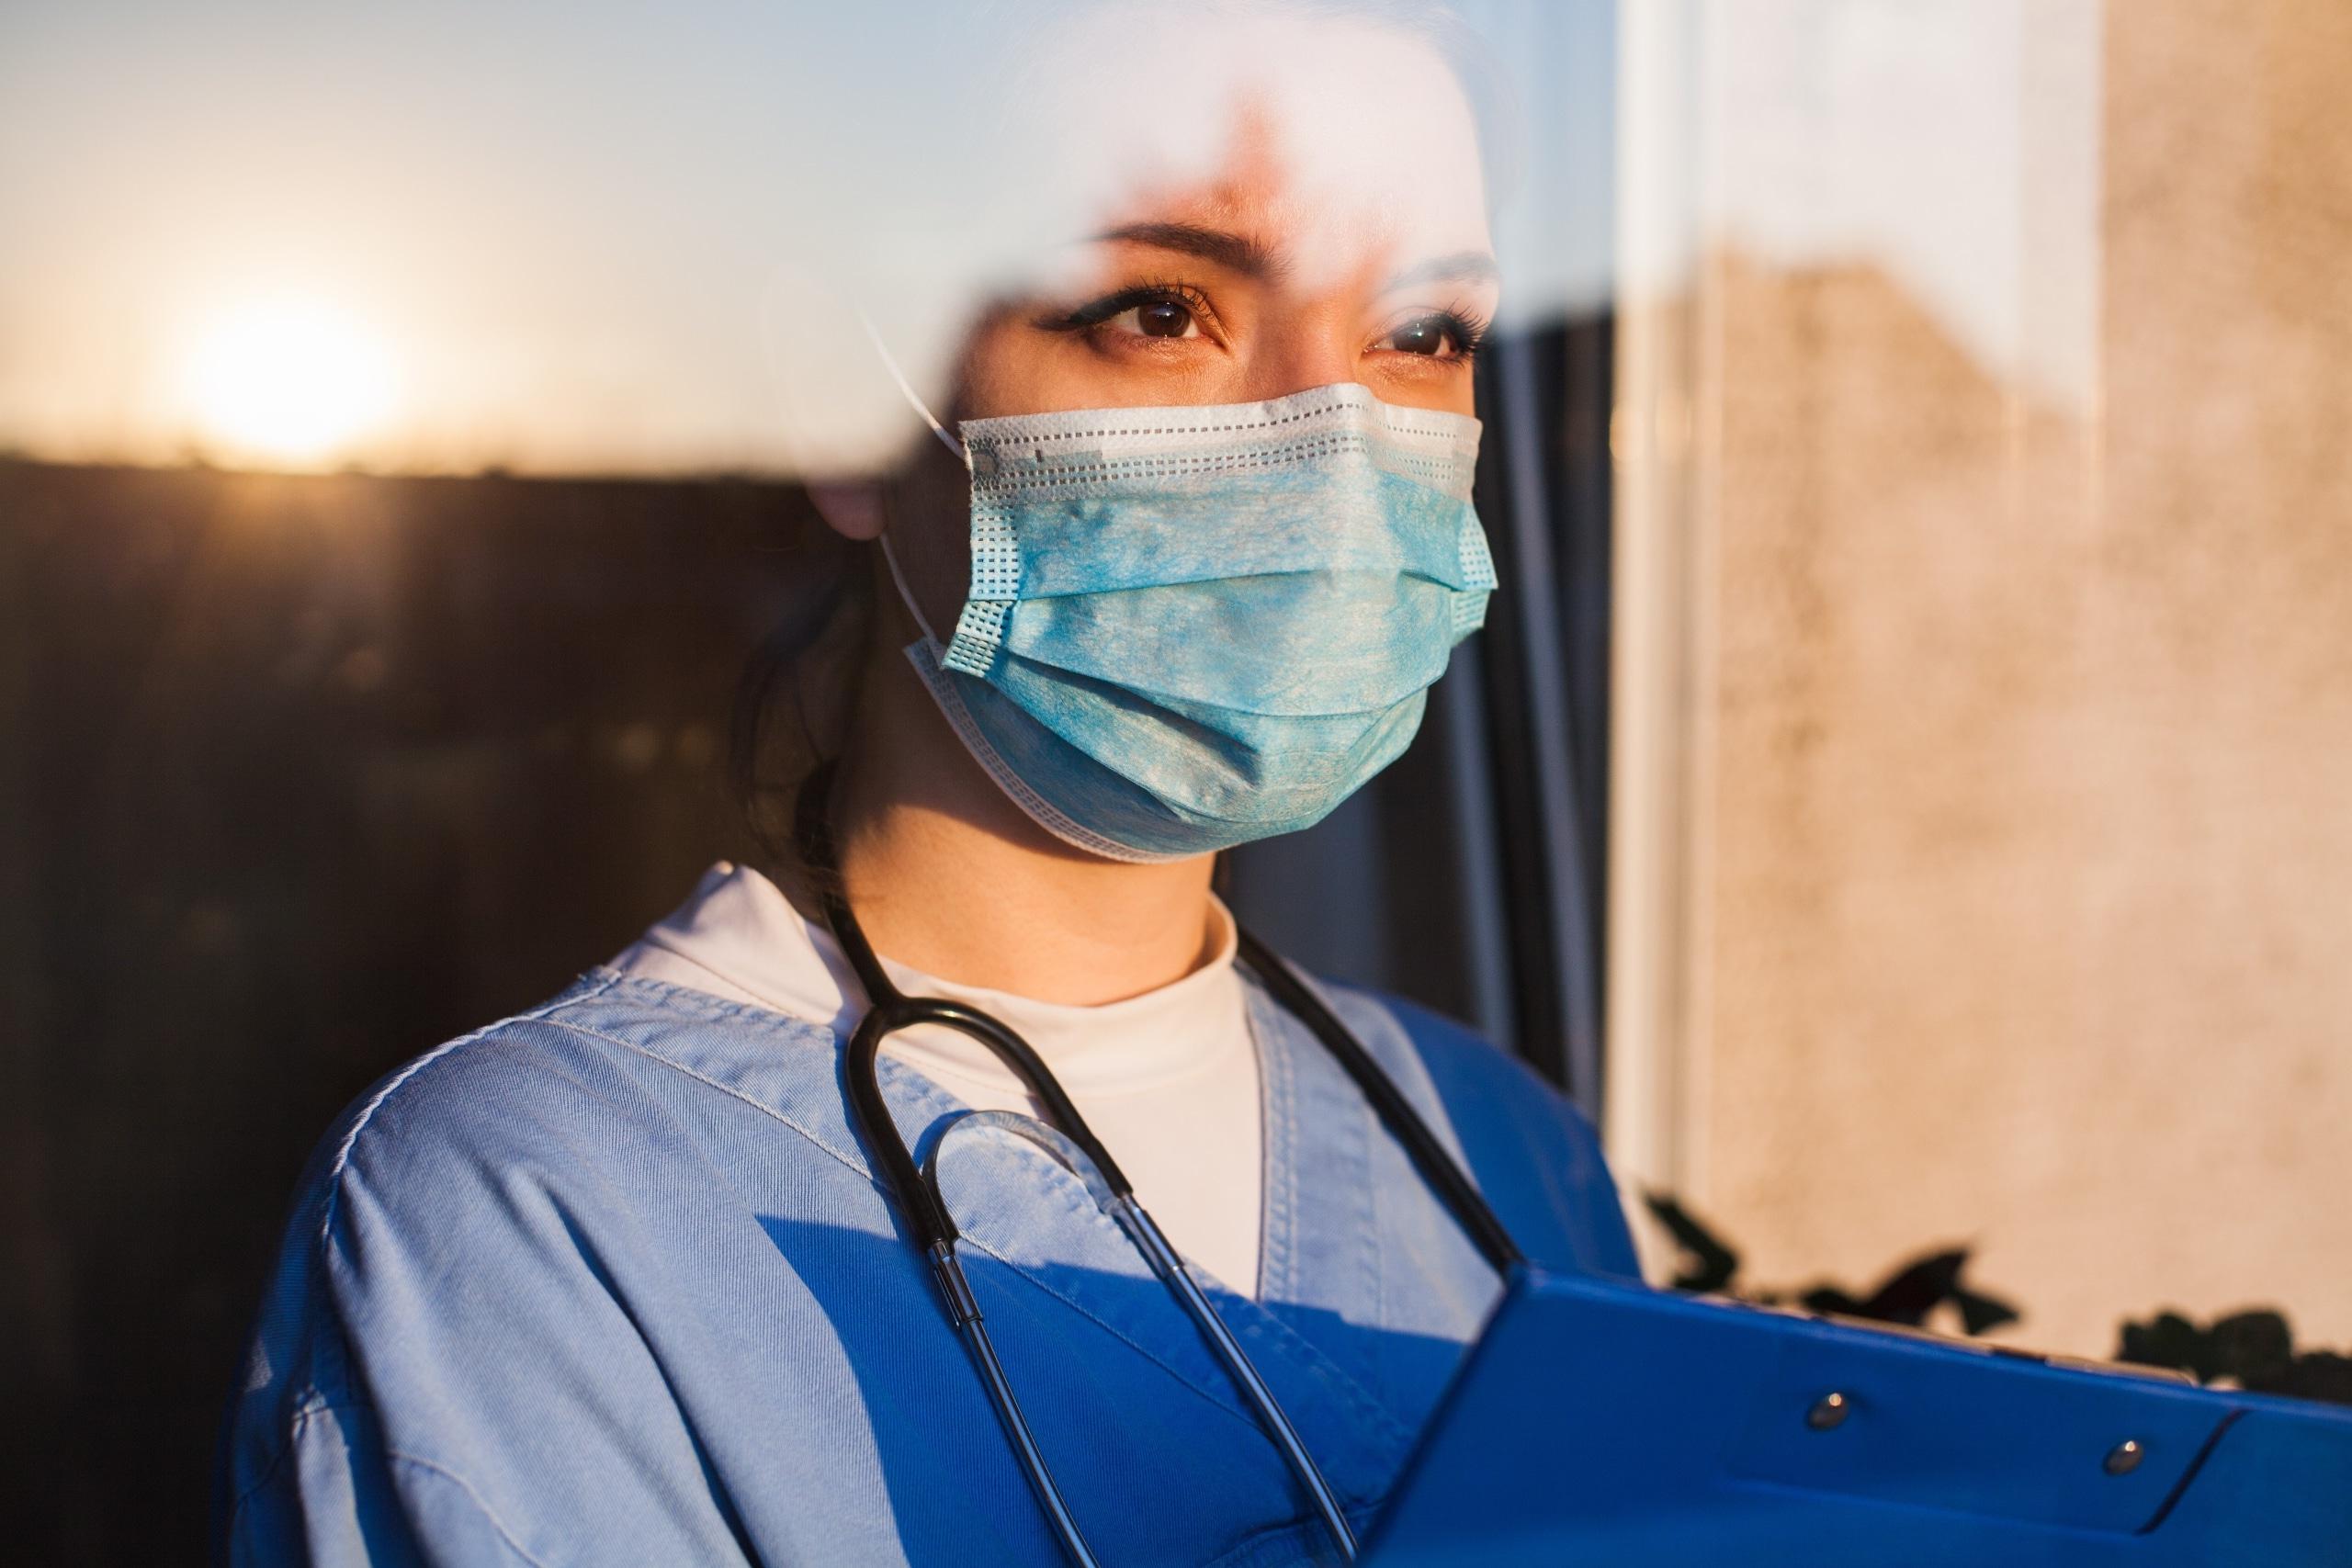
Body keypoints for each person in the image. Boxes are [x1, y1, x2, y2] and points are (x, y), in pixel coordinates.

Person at [216, 4, 1636, 1562]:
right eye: (1159, 308)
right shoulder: (528, 1221)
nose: (1330, 436)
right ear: (842, 394)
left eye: (1422, 333)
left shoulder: (1509, 1160)